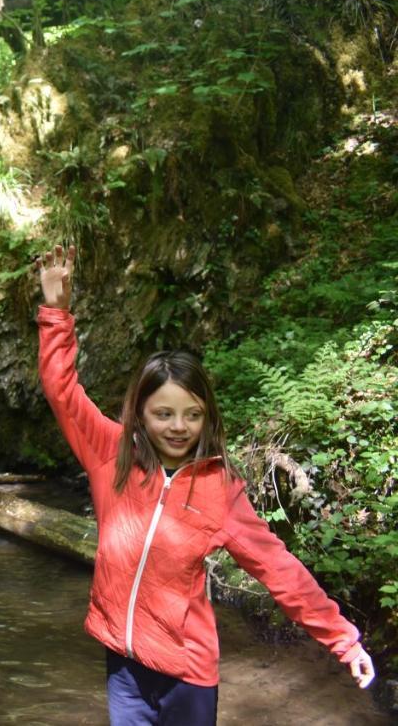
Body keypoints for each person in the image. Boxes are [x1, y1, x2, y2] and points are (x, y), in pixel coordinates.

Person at [34, 244, 375, 724]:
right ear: (140, 413)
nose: (178, 426)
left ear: (207, 416)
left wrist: (342, 638)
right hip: (124, 664)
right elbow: (61, 389)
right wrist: (56, 312)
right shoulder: (109, 451)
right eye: (164, 413)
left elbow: (279, 570)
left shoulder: (221, 489)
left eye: (192, 414)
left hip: (188, 674)